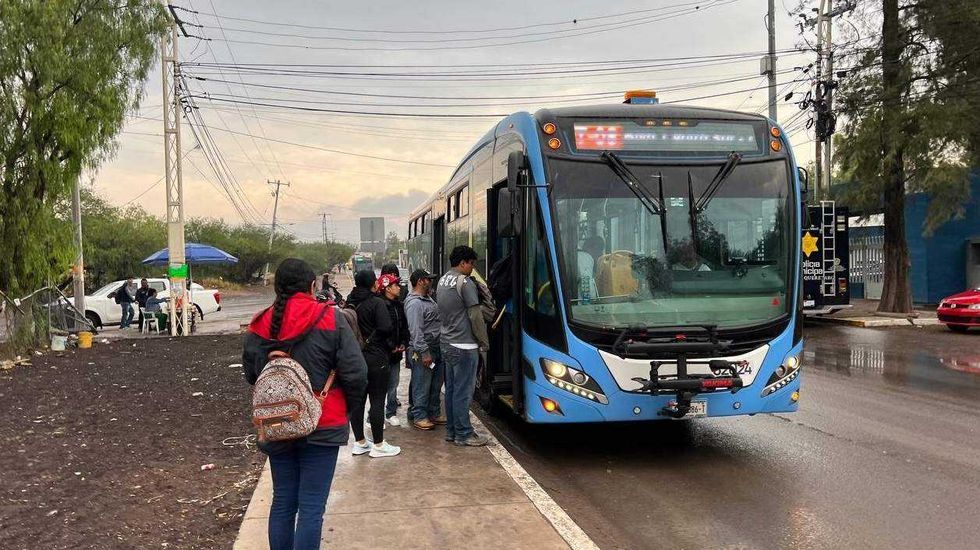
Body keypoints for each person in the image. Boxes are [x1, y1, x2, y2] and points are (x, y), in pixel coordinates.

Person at [242, 258, 368, 550]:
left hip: (276, 423)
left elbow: (252, 375)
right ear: (312, 285)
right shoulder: (331, 318)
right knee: (311, 507)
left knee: (284, 501)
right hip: (324, 423)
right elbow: (357, 373)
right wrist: (345, 410)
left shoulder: (260, 323)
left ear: (277, 287)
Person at [436, 246, 490, 447]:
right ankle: (464, 434)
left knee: (451, 390)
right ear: (463, 263)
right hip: (465, 345)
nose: (472, 268)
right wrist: (484, 341)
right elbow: (475, 315)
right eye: (471, 264)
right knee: (463, 392)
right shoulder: (464, 282)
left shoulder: (443, 280)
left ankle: (452, 431)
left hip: (447, 343)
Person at [346, 269, 401, 458]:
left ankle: (360, 442)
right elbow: (386, 327)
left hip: (354, 358)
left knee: (357, 402)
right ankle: (378, 445)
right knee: (377, 400)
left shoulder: (349, 301)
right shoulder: (376, 302)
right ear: (373, 284)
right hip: (376, 357)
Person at [405, 269, 444, 430]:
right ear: (421, 281)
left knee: (435, 384)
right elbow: (416, 332)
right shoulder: (415, 303)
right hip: (423, 350)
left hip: (436, 347)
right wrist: (424, 353)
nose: (431, 282)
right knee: (422, 384)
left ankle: (433, 413)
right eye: (429, 279)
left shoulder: (427, 299)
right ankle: (419, 416)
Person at [378, 273, 409, 426]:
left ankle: (390, 412)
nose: (399, 288)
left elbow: (403, 327)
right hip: (383, 353)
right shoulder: (379, 305)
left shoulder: (399, 305)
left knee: (393, 384)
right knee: (380, 386)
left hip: (397, 353)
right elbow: (381, 330)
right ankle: (374, 415)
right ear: (387, 288)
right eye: (395, 285)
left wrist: (403, 342)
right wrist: (390, 346)